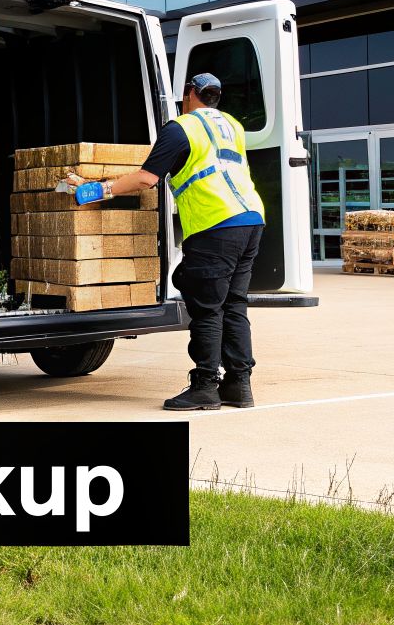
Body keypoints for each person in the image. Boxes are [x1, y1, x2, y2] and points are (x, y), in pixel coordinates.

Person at [67, 73, 264, 411]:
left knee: (207, 308)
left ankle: (205, 385)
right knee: (234, 304)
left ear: (189, 93)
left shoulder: (181, 128)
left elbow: (146, 178)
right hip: (251, 219)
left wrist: (98, 189)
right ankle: (239, 385)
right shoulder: (232, 125)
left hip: (214, 222)